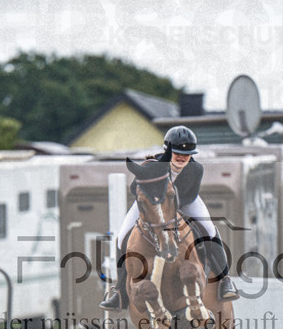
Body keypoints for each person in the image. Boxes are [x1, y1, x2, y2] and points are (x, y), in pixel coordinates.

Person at [99, 125, 239, 311]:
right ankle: (119, 292)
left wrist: (170, 211)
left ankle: (225, 280)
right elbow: (134, 189)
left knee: (210, 230)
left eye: (186, 154)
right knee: (123, 237)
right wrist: (153, 201)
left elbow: (189, 195)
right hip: (151, 204)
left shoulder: (196, 169)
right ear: (167, 152)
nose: (181, 158)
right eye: (177, 153)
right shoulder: (153, 165)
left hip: (185, 203)